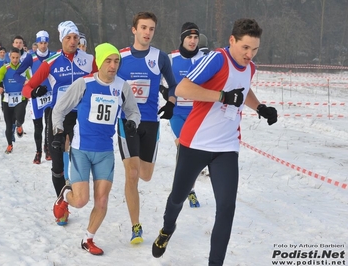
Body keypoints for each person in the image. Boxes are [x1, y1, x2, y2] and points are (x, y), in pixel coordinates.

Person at [152, 18, 278, 266]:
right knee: (177, 198)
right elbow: (184, 89)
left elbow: (243, 89)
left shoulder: (249, 68)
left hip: (226, 148)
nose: (249, 55)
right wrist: (221, 96)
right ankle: (167, 229)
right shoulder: (217, 59)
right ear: (232, 41)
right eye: (245, 48)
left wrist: (260, 107)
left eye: (254, 50)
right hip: (196, 143)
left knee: (226, 209)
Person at [52, 42, 141, 255]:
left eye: (116, 61)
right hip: (81, 149)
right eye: (108, 61)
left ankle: (88, 238)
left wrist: (132, 123)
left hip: (105, 152)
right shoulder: (84, 83)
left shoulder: (122, 87)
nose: (113, 65)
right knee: (81, 200)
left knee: (102, 199)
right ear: (99, 63)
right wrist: (57, 132)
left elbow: (133, 112)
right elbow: (60, 109)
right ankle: (66, 196)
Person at [22, 20, 97, 225]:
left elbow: (103, 80)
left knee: (81, 160)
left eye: (75, 38)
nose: (73, 41)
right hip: (60, 116)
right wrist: (34, 92)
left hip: (83, 116)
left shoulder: (89, 60)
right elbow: (27, 87)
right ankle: (62, 203)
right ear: (61, 39)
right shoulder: (51, 62)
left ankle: (84, 195)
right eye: (68, 38)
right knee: (57, 164)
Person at [116, 11, 177, 244]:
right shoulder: (119, 56)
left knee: (146, 175)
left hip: (150, 122)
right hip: (127, 121)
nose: (147, 33)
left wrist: (171, 104)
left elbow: (173, 86)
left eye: (151, 29)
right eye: (143, 28)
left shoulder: (160, 57)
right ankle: (136, 227)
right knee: (131, 174)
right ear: (134, 30)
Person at [168, 22, 205, 208]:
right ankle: (185, 190)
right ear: (182, 39)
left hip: (198, 114)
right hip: (177, 114)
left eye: (195, 37)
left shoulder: (205, 58)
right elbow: (162, 83)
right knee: (183, 150)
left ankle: (189, 187)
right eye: (189, 37)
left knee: (193, 153)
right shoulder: (171, 58)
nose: (192, 41)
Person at [14, 30, 55, 164]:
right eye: (40, 43)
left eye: (45, 43)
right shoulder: (31, 57)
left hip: (50, 95)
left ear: (48, 42)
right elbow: (17, 74)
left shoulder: (53, 56)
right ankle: (38, 152)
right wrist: (26, 83)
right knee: (38, 127)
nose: (43, 46)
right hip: (36, 96)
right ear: (36, 43)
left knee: (49, 124)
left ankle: (47, 148)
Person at [0, 48, 28, 154]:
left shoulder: (24, 69)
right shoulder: (4, 68)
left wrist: (28, 85)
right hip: (7, 99)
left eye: (17, 58)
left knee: (20, 117)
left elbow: (31, 81)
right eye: (13, 57)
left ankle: (19, 125)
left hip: (20, 98)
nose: (15, 60)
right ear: (9, 57)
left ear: (20, 57)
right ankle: (9, 145)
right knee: (8, 125)